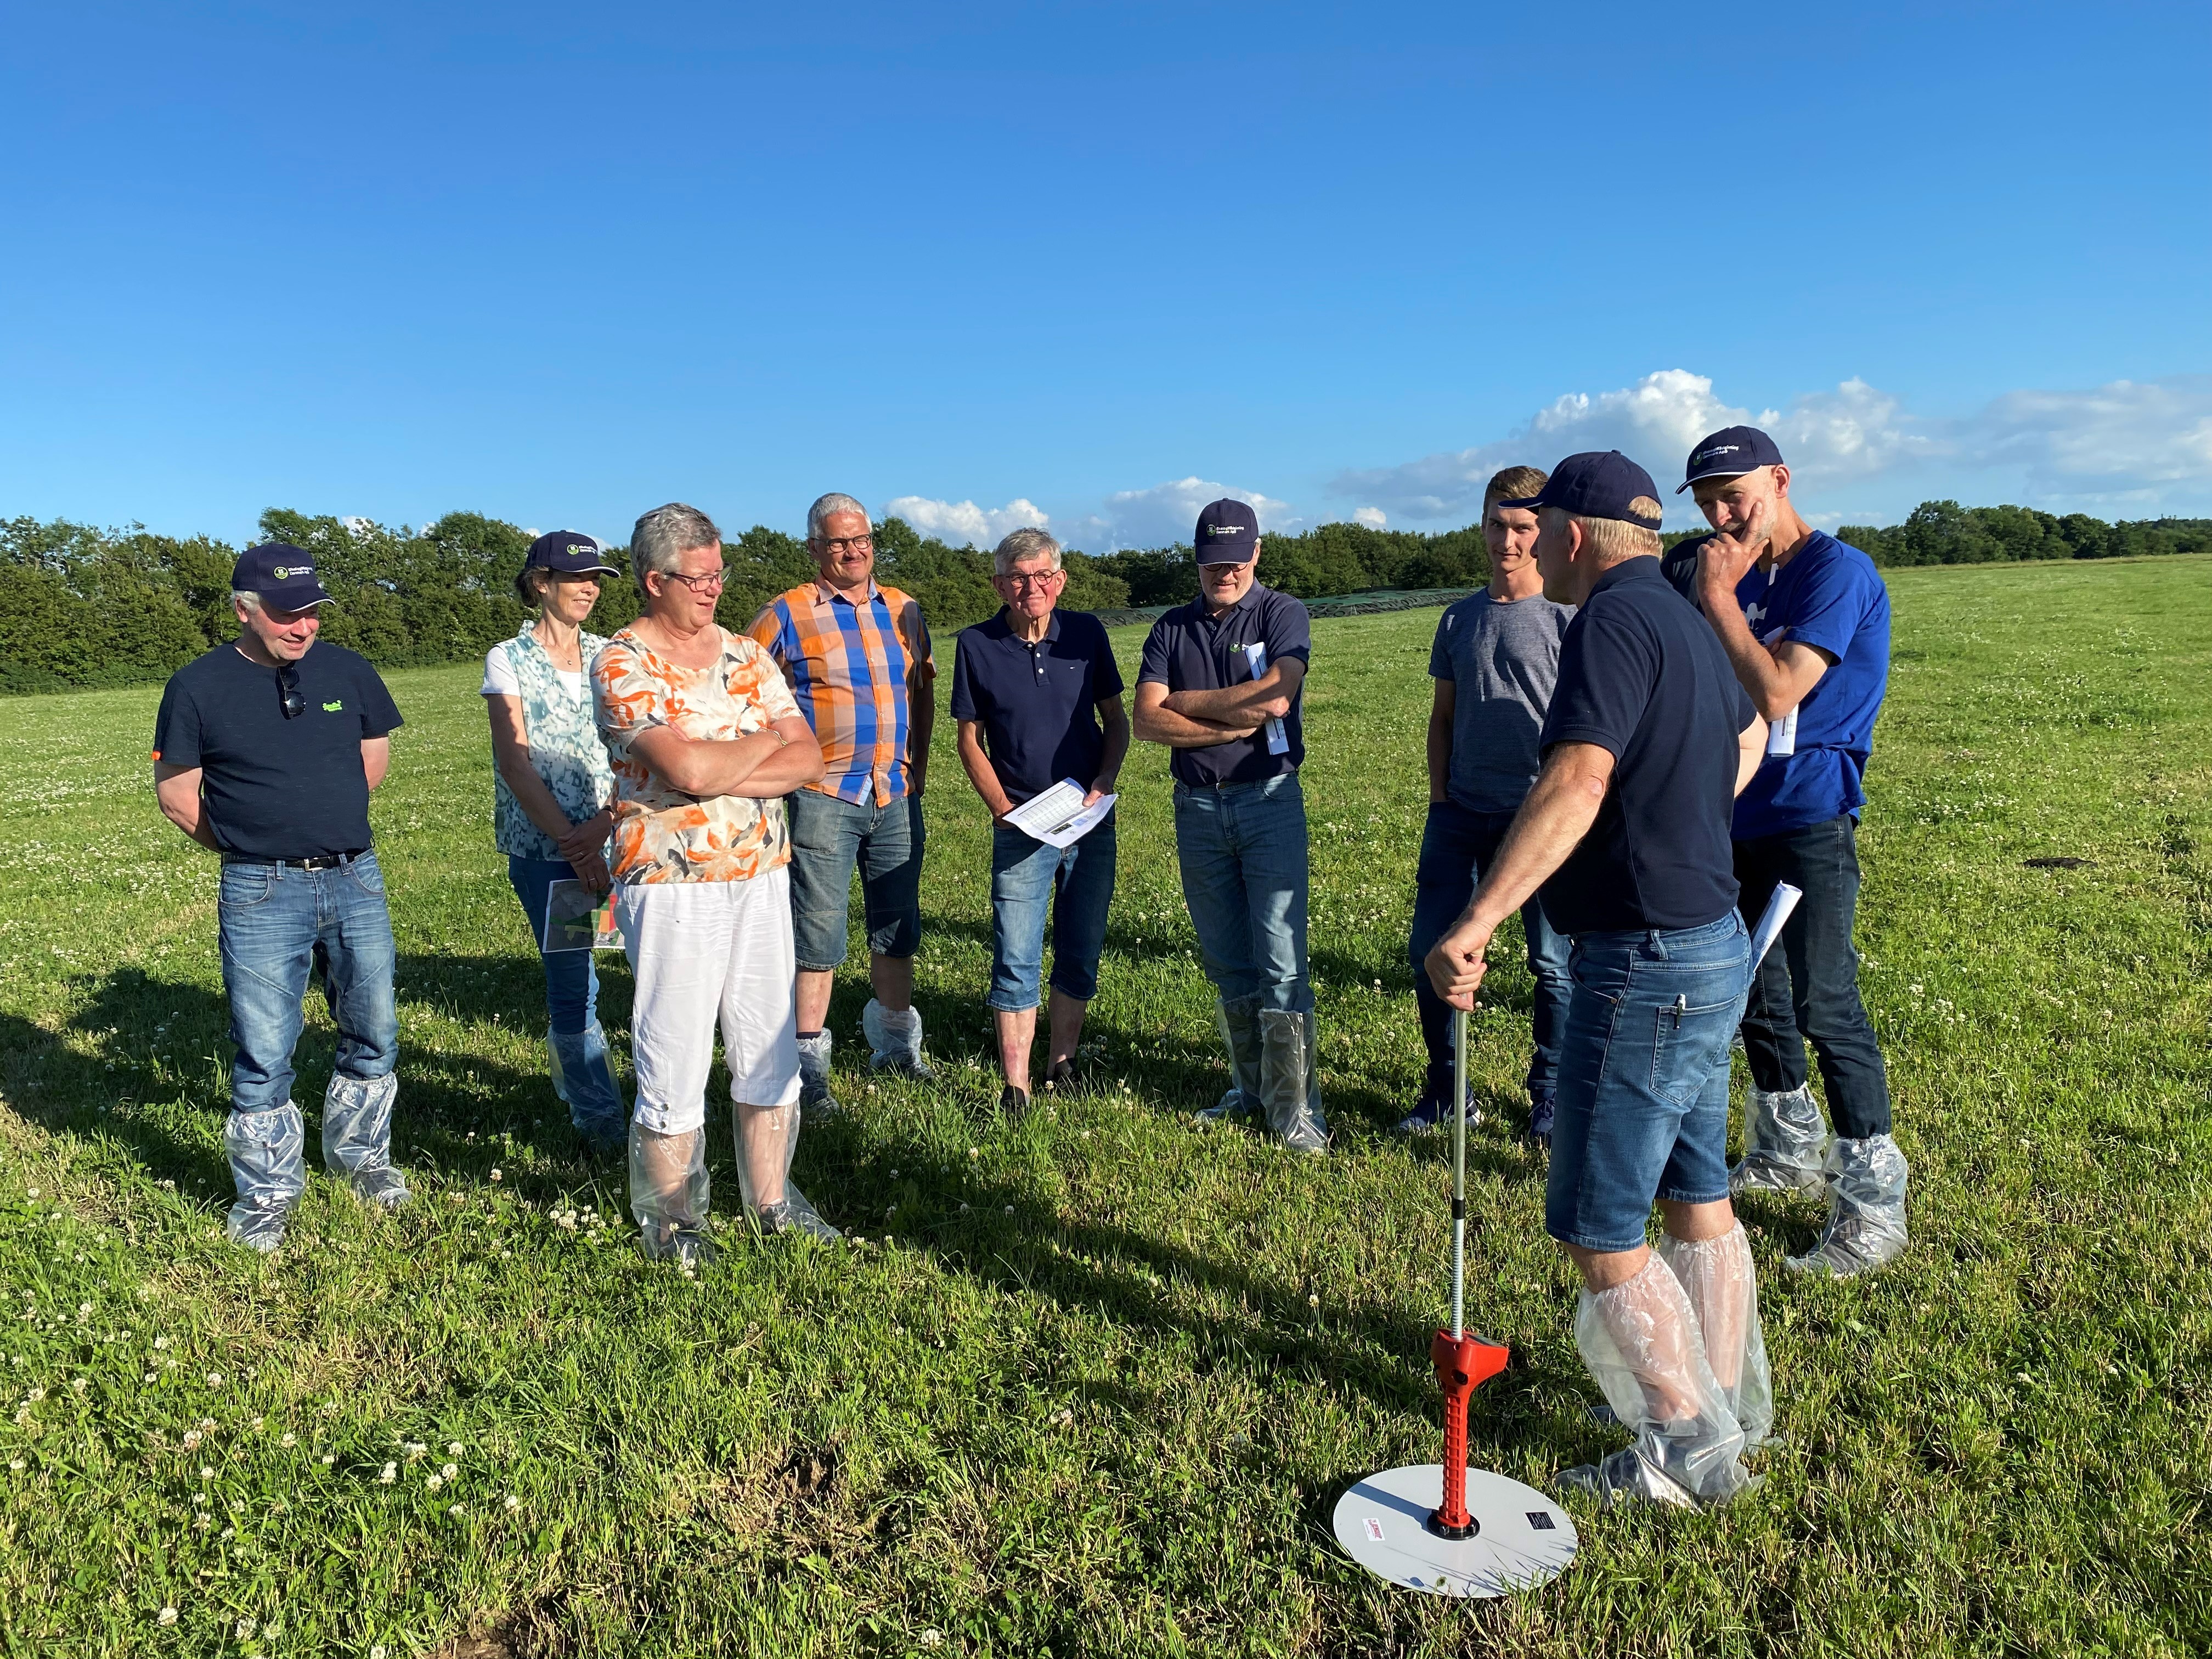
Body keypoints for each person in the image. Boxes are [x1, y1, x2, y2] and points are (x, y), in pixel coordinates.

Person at [1426, 452, 1774, 1508]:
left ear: (1571, 534)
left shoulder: (1610, 624)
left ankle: (1680, 1446)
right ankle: (1718, 1404)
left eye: (1543, 528)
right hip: (1711, 937)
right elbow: (1753, 732)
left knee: (1596, 1221)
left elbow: (1576, 775)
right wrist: (1679, 813)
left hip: (1641, 960)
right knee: (1695, 1192)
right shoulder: (1677, 610)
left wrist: (1477, 918)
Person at [1678, 425, 1908, 1277]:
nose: (1722, 517)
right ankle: (1783, 1146)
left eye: (1735, 497)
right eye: (1706, 505)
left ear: (1780, 480)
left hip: (1808, 814)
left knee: (1825, 999)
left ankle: (1871, 1198)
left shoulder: (1836, 572)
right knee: (1751, 993)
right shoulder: (1737, 573)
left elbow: (1778, 691)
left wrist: (1720, 600)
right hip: (1733, 812)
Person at [593, 503, 838, 1266]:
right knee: (676, 1048)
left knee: (768, 1042)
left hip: (761, 869)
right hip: (672, 881)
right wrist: (757, 742)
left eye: (718, 574)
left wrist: (730, 750)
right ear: (653, 580)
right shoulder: (622, 662)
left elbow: (809, 759)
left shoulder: (744, 654)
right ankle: (674, 1222)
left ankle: (773, 1201)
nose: (712, 590)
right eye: (697, 578)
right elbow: (685, 770)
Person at [151, 544, 411, 1251]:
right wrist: (252, 847)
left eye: (312, 613)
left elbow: (372, 758)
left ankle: (362, 1161)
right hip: (260, 887)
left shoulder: (347, 670)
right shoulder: (198, 685)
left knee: (374, 1026)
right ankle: (267, 1191)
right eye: (287, 614)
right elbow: (178, 796)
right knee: (265, 1046)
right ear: (245, 609)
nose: (304, 627)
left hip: (356, 875)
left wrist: (324, 826)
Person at [1133, 499, 1326, 1154]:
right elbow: (1146, 720)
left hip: (1268, 799)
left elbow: (1276, 696)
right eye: (1215, 562)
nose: (1228, 572)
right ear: (1197, 559)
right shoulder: (1169, 629)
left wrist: (1183, 702)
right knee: (1224, 958)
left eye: (1238, 559)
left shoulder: (1281, 612)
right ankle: (1252, 1091)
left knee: (1279, 955)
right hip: (1197, 808)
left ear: (1257, 553)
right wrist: (1216, 715)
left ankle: (1296, 1113)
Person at [1401, 465, 1576, 1143]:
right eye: (1497, 526)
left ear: (1546, 532)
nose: (1509, 541)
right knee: (1433, 953)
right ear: (1481, 527)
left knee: (1553, 966)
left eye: (1524, 528)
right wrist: (1442, 798)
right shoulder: (1460, 617)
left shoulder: (1568, 617)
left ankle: (1552, 1096)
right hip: (1460, 816)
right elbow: (1442, 717)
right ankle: (1448, 1090)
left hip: (1540, 822)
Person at [747, 494, 936, 1113]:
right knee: (817, 935)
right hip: (823, 795)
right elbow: (741, 694)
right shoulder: (786, 614)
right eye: (837, 543)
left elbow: (923, 692)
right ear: (814, 549)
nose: (852, 552)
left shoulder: (905, 609)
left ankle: (896, 1048)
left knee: (897, 927)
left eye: (861, 540)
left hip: (895, 791)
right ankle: (807, 1068)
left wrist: (920, 770)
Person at [950, 528, 1130, 1118]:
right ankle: (1016, 1085)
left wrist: (1103, 784)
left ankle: (1064, 1062)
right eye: (1019, 577)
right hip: (1023, 825)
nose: (1033, 587)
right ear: (1000, 583)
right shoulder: (976, 645)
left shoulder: (1087, 634)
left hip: (1087, 819)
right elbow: (968, 739)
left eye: (1043, 576)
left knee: (1080, 946)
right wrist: (1002, 809)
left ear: (1061, 580)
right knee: (1016, 951)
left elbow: (1116, 721)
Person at [482, 531, 627, 1155]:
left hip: (623, 836)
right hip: (551, 851)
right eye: (577, 579)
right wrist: (573, 842)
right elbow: (515, 763)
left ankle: (640, 1091)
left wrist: (608, 823)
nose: (590, 589)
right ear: (542, 583)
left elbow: (638, 744)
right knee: (575, 979)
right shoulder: (508, 659)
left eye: (597, 579)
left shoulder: (613, 653)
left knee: (646, 967)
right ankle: (596, 1111)